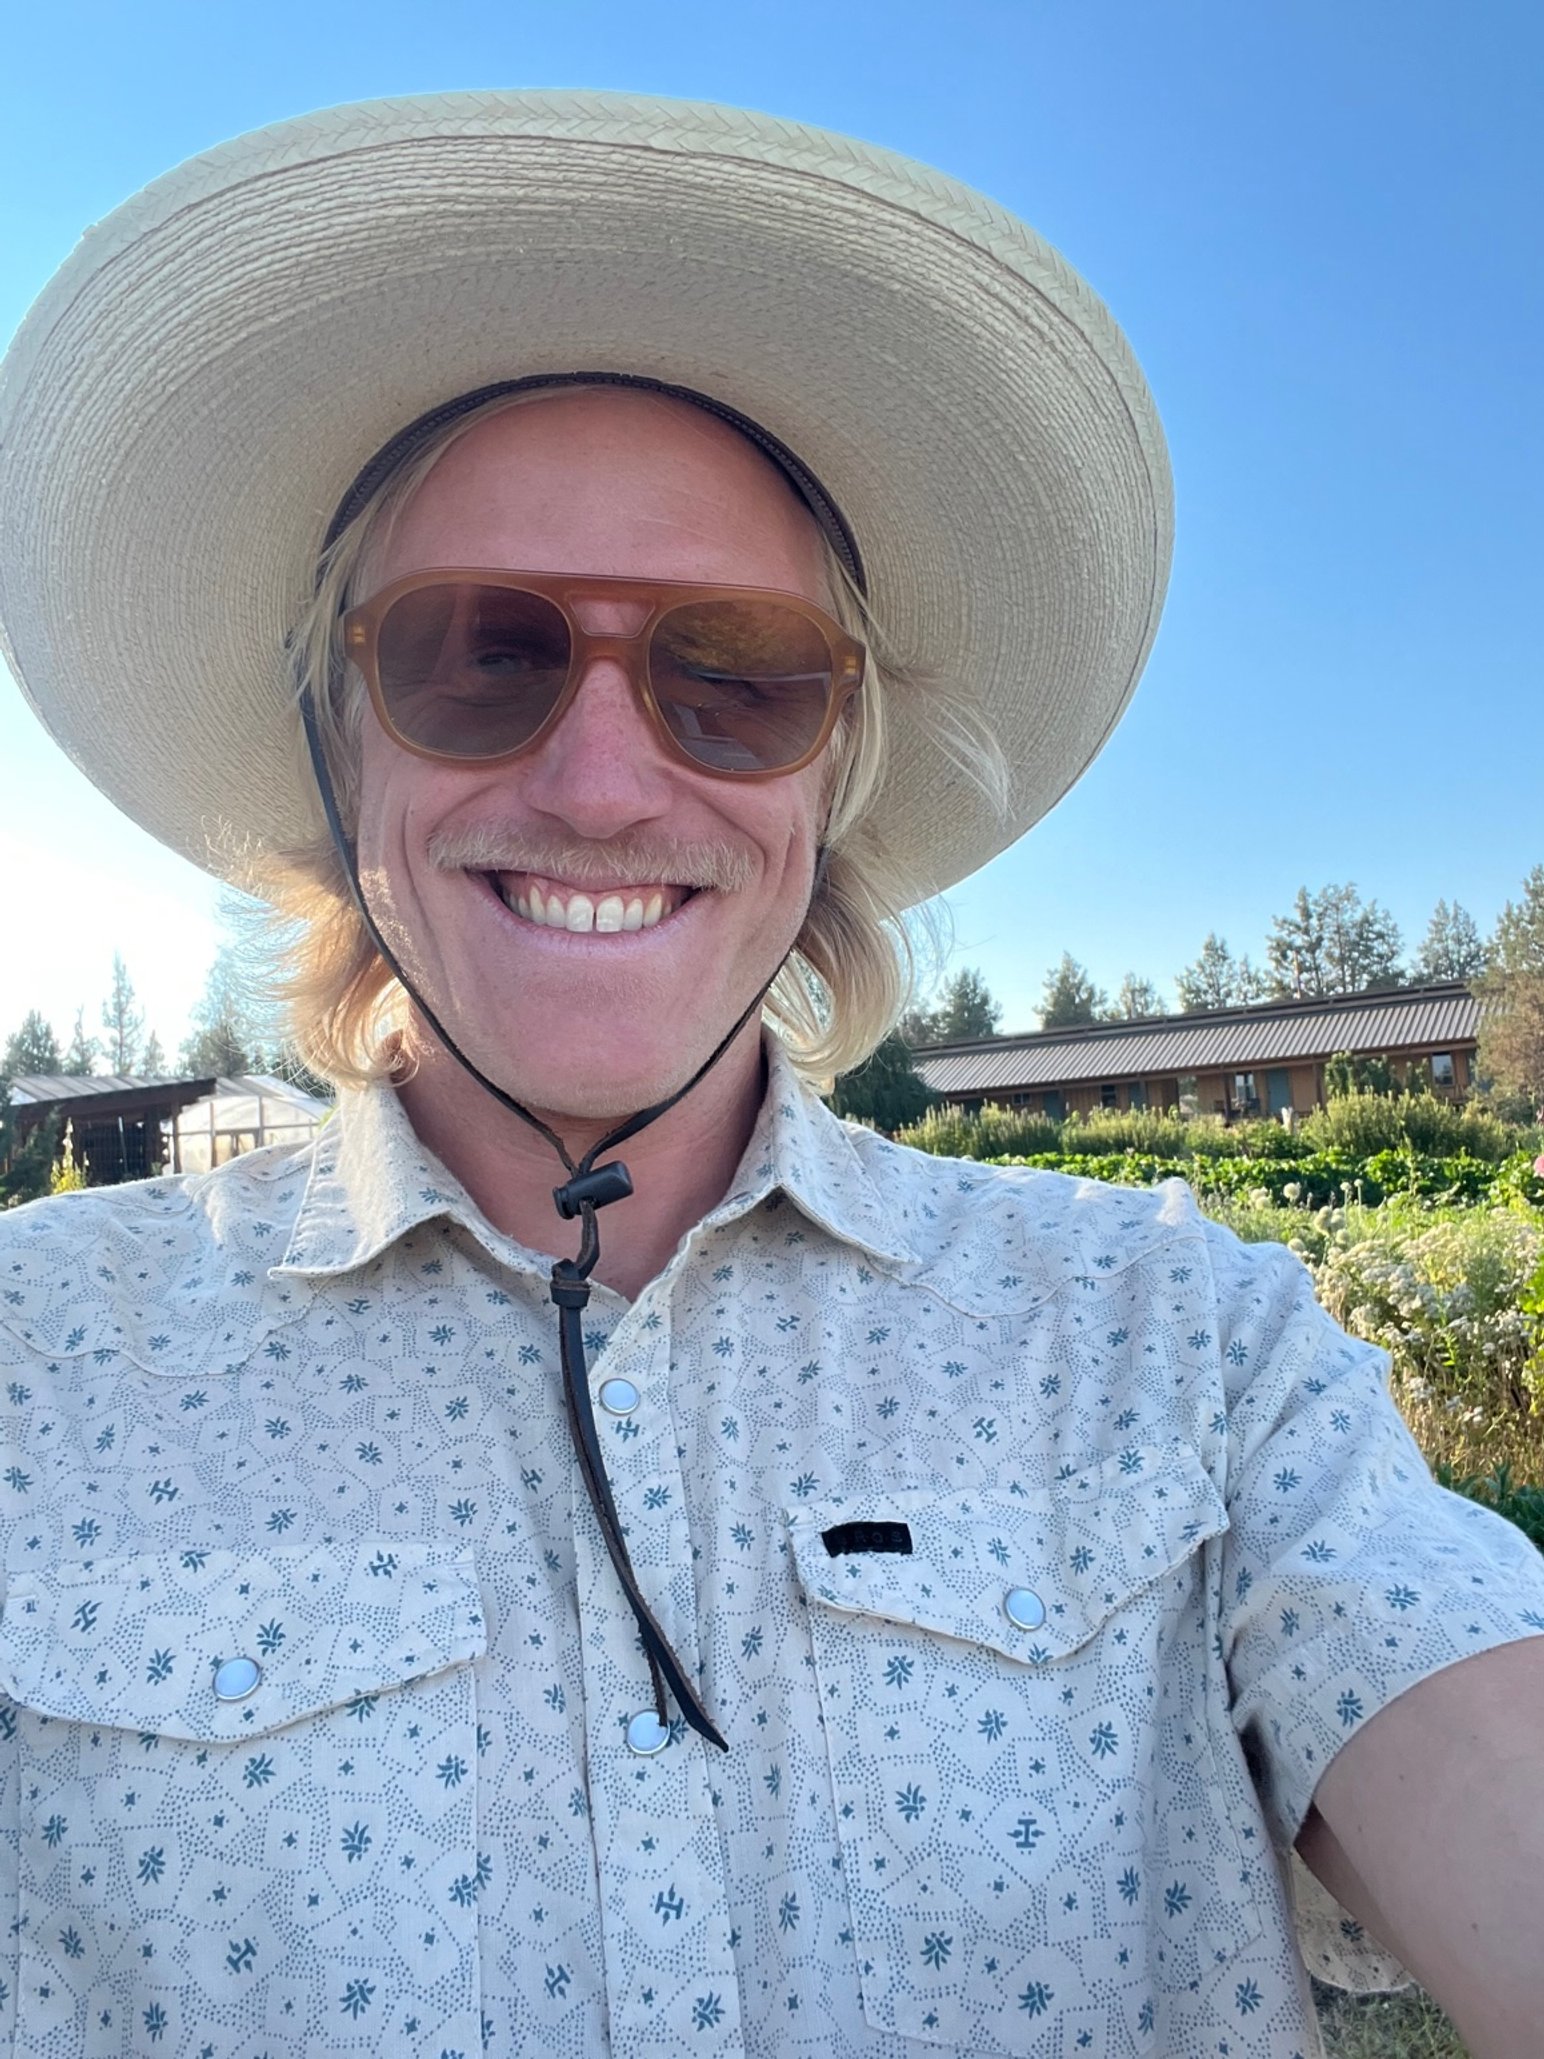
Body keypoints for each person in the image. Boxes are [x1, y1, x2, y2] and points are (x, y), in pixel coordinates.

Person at [0, 90, 1540, 2059]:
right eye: (480, 654)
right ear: (337, 742)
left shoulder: (1183, 1348)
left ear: (831, 767)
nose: (602, 777)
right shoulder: (36, 1376)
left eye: (734, 675)